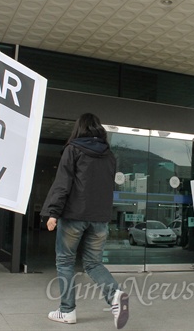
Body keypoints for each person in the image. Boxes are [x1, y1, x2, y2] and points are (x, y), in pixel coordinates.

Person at [41, 113, 129, 329]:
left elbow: (63, 183)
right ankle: (115, 294)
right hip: (99, 219)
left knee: (65, 261)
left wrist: (53, 213)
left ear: (79, 128)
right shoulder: (110, 156)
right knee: (93, 263)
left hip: (74, 215)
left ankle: (67, 311)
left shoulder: (73, 149)